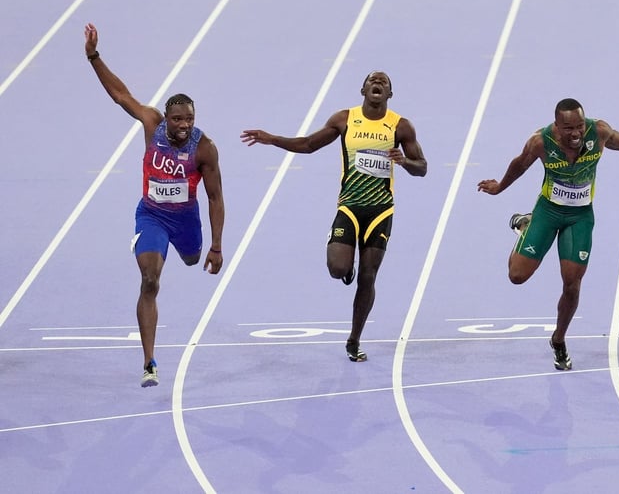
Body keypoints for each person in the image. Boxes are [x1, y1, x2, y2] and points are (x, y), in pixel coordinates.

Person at [477, 98, 619, 370]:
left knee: (572, 283)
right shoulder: (540, 142)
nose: (576, 134)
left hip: (580, 217)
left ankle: (559, 339)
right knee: (517, 276)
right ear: (557, 127)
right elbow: (520, 163)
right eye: (568, 128)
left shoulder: (598, 132)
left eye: (580, 126)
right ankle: (526, 225)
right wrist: (500, 187)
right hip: (548, 212)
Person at [241, 71, 426, 363]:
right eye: (372, 80)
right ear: (363, 89)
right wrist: (272, 139)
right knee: (338, 269)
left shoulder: (400, 127)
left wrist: (404, 162)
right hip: (350, 207)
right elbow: (309, 144)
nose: (377, 83)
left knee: (368, 277)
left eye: (384, 82)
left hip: (380, 212)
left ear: (389, 94)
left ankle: (354, 340)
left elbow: (422, 167)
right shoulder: (344, 119)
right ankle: (345, 266)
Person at [84, 23, 225, 388]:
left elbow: (214, 197)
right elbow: (120, 95)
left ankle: (191, 251)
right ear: (167, 117)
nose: (183, 125)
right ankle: (149, 362)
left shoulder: (204, 147)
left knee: (191, 260)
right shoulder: (151, 123)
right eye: (177, 119)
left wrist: (216, 246)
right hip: (151, 215)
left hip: (186, 221)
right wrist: (94, 57)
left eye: (189, 119)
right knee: (149, 281)